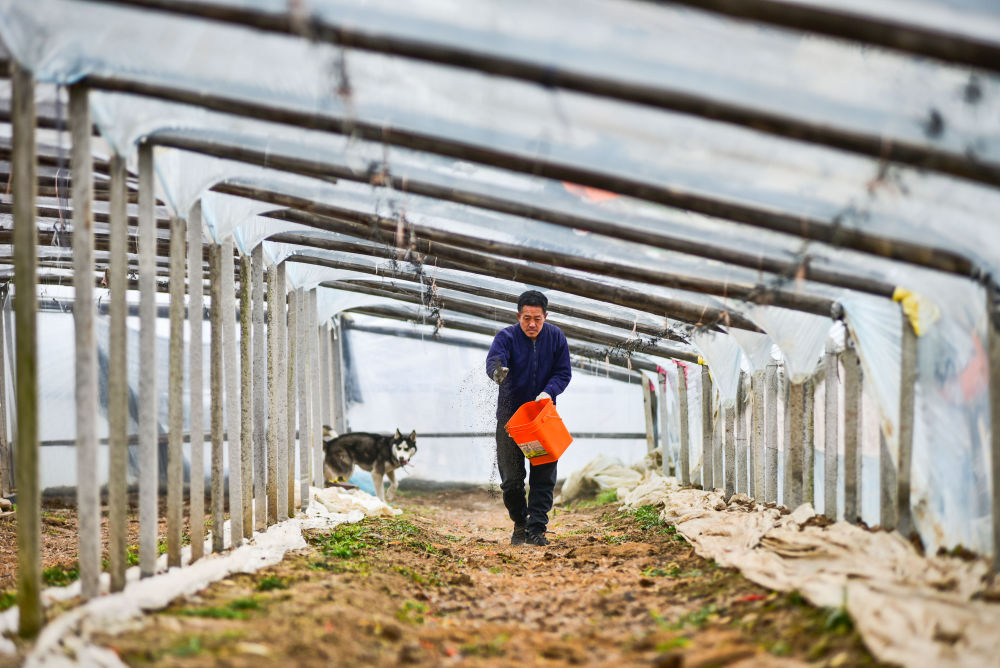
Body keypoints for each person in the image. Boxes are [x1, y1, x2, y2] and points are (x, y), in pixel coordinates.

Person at [486, 290, 572, 546]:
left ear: (546, 316)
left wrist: (549, 391)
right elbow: (494, 360)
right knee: (511, 481)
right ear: (518, 316)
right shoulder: (507, 337)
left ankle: (536, 529)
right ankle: (521, 523)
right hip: (511, 420)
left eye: (537, 318)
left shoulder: (556, 338)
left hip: (542, 419)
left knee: (543, 477)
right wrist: (498, 372)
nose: (532, 324)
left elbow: (563, 372)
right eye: (526, 318)